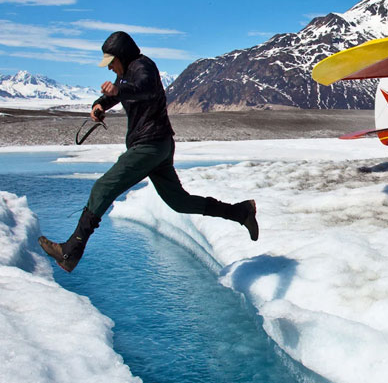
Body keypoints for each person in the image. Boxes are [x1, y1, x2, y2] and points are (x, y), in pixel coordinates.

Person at [39, 31, 258, 273]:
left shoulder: (143, 67)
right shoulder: (127, 75)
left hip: (150, 145)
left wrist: (117, 92)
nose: (110, 68)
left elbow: (141, 88)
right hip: (158, 145)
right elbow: (121, 91)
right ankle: (240, 212)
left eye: (112, 62)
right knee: (179, 202)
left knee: (103, 188)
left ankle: (71, 251)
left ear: (122, 56)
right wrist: (100, 104)